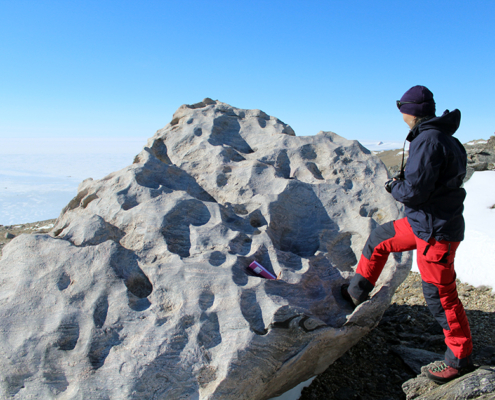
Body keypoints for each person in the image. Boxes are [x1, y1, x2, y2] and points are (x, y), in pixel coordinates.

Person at [342, 85, 473, 384]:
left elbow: (414, 192)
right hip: (423, 223)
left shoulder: (427, 141)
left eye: (402, 106)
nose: (401, 111)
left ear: (409, 111)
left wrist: (393, 187)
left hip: (435, 232)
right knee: (380, 239)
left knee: (441, 295)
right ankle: (356, 293)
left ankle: (460, 359)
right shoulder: (447, 138)